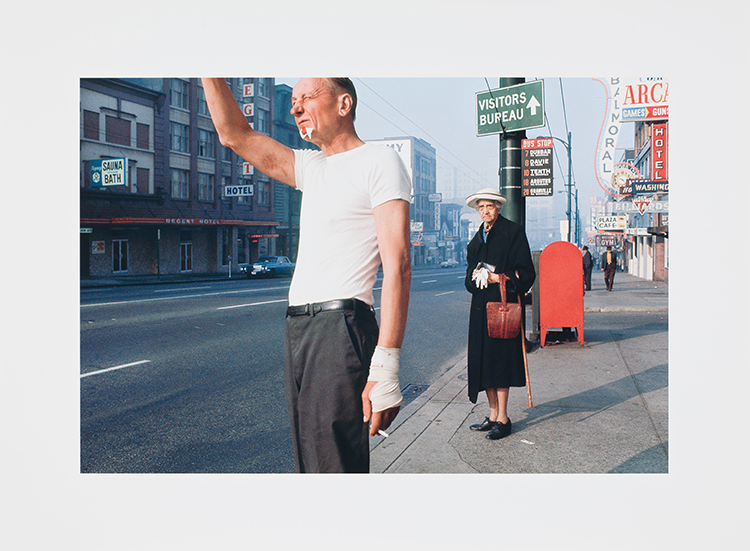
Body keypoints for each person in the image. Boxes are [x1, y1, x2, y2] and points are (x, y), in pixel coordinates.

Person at [200, 77, 412, 473]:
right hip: (299, 327)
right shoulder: (311, 166)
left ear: (344, 104)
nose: (295, 108)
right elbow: (234, 135)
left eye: (307, 98)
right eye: (292, 101)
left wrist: (386, 367)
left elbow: (398, 262)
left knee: (332, 465)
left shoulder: (379, 161)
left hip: (340, 326)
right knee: (311, 461)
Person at [464, 189, 535, 440]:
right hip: (480, 311)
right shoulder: (477, 239)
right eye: (481, 207)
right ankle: (492, 415)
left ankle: (503, 418)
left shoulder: (513, 232)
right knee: (484, 362)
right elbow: (468, 278)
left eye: (490, 206)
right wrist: (475, 279)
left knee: (500, 362)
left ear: (499, 208)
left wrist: (498, 278)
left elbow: (527, 273)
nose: (485, 211)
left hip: (501, 309)